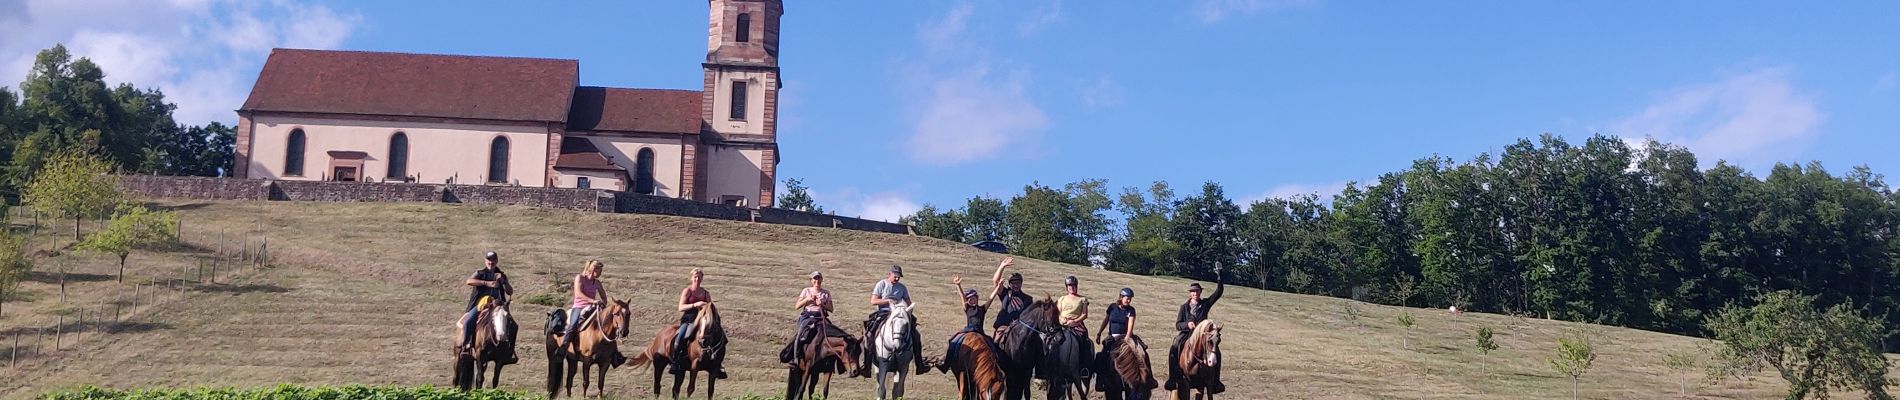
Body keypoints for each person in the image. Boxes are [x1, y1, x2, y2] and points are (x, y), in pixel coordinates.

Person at [858, 265, 929, 377]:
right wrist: (888, 301)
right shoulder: (881, 284)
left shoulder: (902, 288)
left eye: (899, 277)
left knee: (915, 334)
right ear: (889, 274)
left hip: (899, 313)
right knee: (869, 334)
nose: (897, 279)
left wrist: (906, 310)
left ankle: (919, 364)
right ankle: (867, 365)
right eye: (895, 276)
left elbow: (909, 303)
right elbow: (873, 301)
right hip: (883, 313)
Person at [1166, 274, 1225, 393]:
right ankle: (1173, 378)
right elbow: (1178, 325)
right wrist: (1187, 325)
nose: (1195, 293)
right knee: (1175, 346)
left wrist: (1219, 275)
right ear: (1190, 293)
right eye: (1193, 292)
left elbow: (1218, 292)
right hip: (1187, 334)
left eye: (1197, 291)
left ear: (1200, 292)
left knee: (1216, 351)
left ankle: (1216, 381)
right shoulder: (1184, 307)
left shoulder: (1205, 304)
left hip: (1202, 336)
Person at [936, 273, 1000, 373]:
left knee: (993, 345)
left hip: (980, 332)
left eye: (973, 298)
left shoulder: (982, 309)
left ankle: (997, 366)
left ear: (977, 298)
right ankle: (946, 365)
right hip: (968, 331)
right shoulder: (967, 308)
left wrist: (998, 287)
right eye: (969, 299)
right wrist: (958, 285)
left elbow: (991, 298)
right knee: (953, 341)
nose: (972, 300)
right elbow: (962, 296)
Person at [1095, 287, 1151, 392]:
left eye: (1130, 299)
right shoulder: (1112, 307)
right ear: (1121, 297)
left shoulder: (1131, 310)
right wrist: (1099, 333)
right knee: (1102, 355)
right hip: (1112, 337)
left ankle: (1149, 379)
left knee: (1141, 353)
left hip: (1126, 336)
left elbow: (1130, 325)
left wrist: (1127, 338)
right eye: (1127, 298)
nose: (1129, 300)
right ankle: (1100, 380)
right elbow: (1106, 320)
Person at [783, 270, 844, 364]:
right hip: (808, 316)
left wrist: (822, 304)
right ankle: (794, 357)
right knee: (800, 334)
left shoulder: (826, 293)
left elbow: (831, 309)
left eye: (819, 278)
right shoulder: (806, 291)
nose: (817, 281)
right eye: (815, 279)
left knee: (834, 334)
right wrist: (807, 300)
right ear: (811, 280)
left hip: (821, 317)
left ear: (822, 280)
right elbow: (797, 306)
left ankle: (837, 362)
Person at [460, 251, 513, 353]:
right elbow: (469, 281)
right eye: (489, 260)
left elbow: (510, 291)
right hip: (482, 305)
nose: (491, 262)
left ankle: (510, 349)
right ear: (485, 261)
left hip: (498, 306)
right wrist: (486, 283)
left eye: (493, 260)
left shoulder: (501, 275)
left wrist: (504, 281)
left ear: (496, 261)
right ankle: (466, 345)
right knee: (468, 321)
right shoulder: (480, 273)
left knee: (512, 324)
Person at [556, 260, 609, 352]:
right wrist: (593, 301)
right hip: (579, 307)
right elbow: (578, 294)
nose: (601, 273)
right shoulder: (580, 278)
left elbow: (603, 296)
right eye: (600, 271)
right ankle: (564, 346)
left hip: (592, 308)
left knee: (607, 324)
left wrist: (603, 304)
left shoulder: (597, 283)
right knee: (573, 324)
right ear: (594, 270)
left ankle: (612, 352)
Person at [670, 268, 714, 375]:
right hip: (689, 320)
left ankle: (717, 363)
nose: (697, 279)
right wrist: (695, 304)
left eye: (699, 277)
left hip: (702, 321)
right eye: (695, 276)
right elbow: (680, 307)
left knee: (718, 336)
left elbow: (710, 309)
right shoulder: (687, 291)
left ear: (702, 278)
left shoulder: (706, 293)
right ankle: (675, 362)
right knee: (681, 336)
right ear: (691, 278)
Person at [1057, 276, 1093, 376]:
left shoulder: (1082, 299)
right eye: (1069, 286)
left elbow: (1085, 314)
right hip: (1062, 324)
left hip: (1077, 324)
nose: (1071, 287)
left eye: (1073, 285)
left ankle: (1084, 367)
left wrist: (1075, 321)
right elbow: (1058, 312)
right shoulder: (1062, 299)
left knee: (1084, 341)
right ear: (1066, 287)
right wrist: (1062, 319)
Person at [989, 257, 1031, 336]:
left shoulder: (1028, 299)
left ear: (1021, 283)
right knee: (997, 341)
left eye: (1018, 283)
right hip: (1004, 328)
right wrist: (1002, 266)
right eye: (1013, 283)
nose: (1015, 285)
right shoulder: (1005, 293)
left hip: (1021, 330)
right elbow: (995, 281)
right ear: (1009, 284)